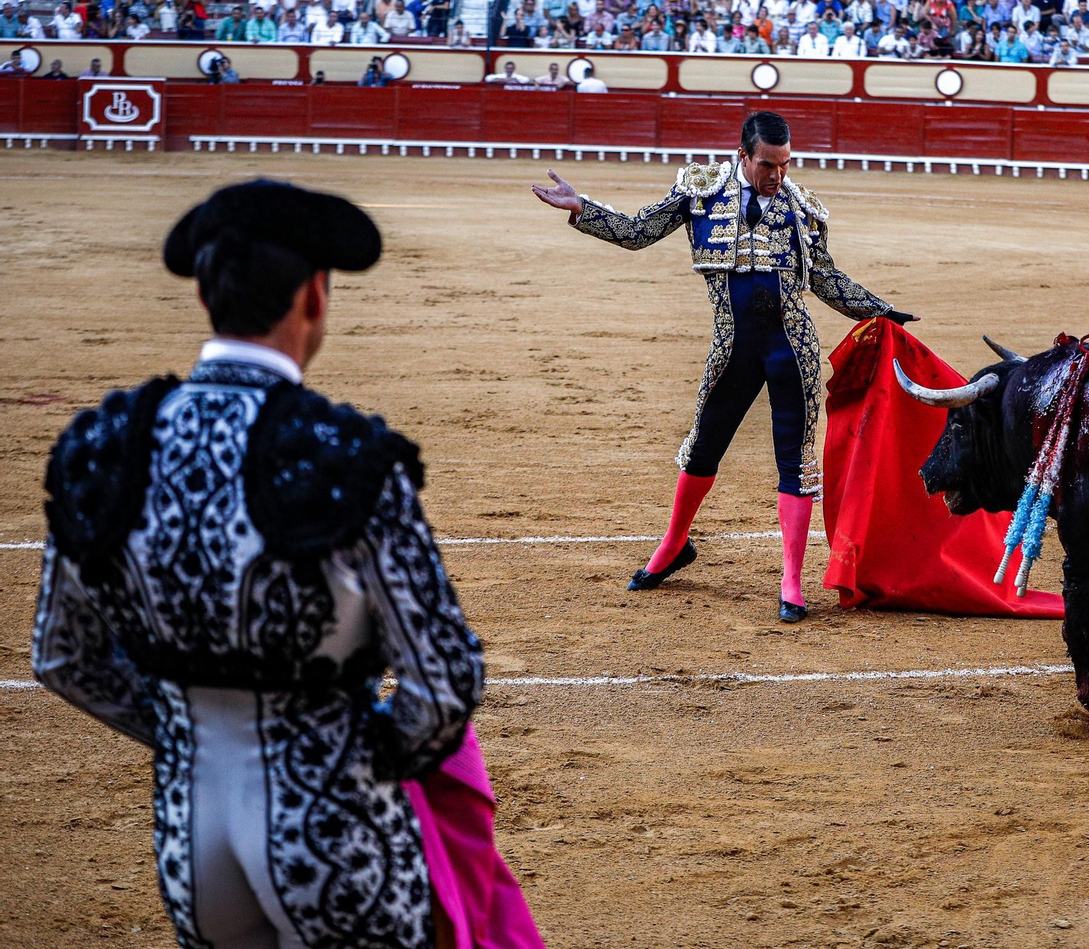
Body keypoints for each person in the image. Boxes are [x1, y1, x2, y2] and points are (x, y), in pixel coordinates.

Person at [32, 181, 487, 949]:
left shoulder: (101, 447)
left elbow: (61, 656)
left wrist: (182, 727)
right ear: (316, 295)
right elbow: (444, 683)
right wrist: (353, 755)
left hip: (189, 832)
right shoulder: (346, 455)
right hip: (335, 828)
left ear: (207, 298)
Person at [531, 112, 916, 623]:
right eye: (766, 164)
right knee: (702, 448)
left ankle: (791, 579)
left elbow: (823, 277)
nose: (777, 175)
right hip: (731, 348)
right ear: (742, 155)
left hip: (792, 350)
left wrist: (879, 311)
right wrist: (583, 209)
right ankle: (673, 545)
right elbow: (638, 231)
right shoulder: (701, 191)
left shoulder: (803, 209)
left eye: (784, 164)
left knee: (795, 462)